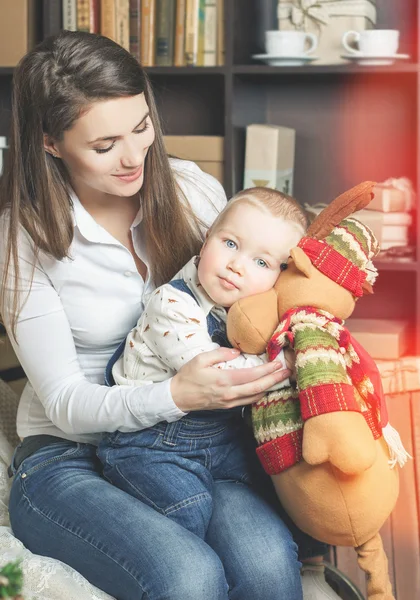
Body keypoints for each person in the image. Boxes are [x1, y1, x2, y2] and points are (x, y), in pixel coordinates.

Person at [0, 30, 308, 600]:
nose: (134, 156)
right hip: (67, 456)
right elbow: (65, 405)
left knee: (266, 565)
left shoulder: (192, 191)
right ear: (49, 143)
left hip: (193, 442)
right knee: (187, 577)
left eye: (142, 127)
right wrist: (178, 395)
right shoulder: (22, 238)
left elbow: (266, 293)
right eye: (104, 144)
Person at [96, 187, 307, 542]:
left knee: (282, 493)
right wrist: (284, 364)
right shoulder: (171, 304)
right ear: (207, 239)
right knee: (188, 513)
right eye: (230, 244)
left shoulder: (251, 312)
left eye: (261, 263)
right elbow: (218, 377)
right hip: (148, 445)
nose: (236, 266)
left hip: (220, 440)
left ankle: (312, 566)